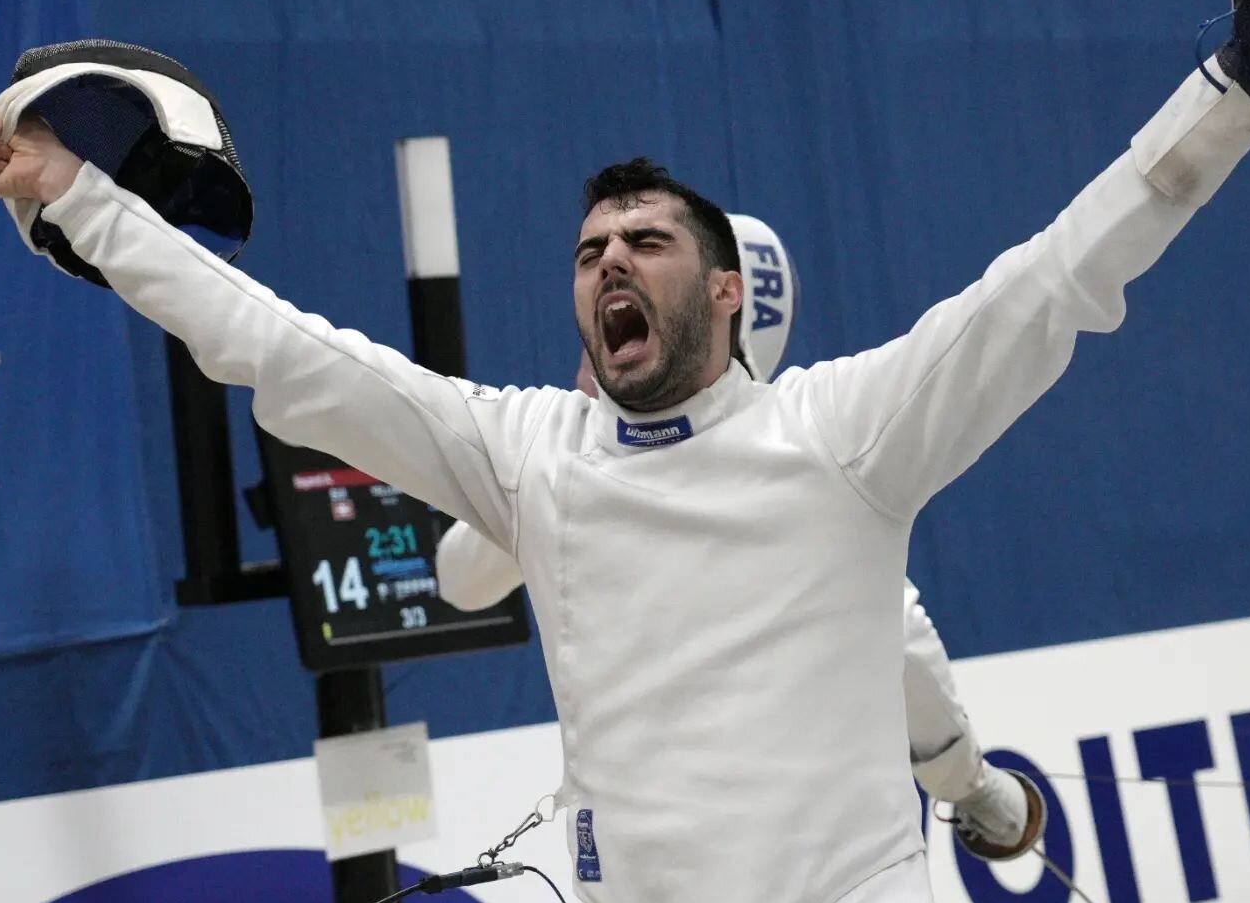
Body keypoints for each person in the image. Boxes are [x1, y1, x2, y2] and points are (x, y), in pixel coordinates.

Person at [0, 0, 1250, 903]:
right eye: (588, 251)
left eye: (648, 241)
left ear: (729, 291)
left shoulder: (842, 433)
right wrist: (80, 195)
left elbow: (1056, 282)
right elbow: (273, 349)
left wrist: (1231, 85)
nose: (611, 261)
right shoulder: (528, 456)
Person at [435, 214, 1041, 859]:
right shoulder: (573, 457)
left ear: (722, 303)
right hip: (652, 852)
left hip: (772, 837)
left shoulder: (794, 467)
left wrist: (972, 788)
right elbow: (461, 581)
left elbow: (897, 633)